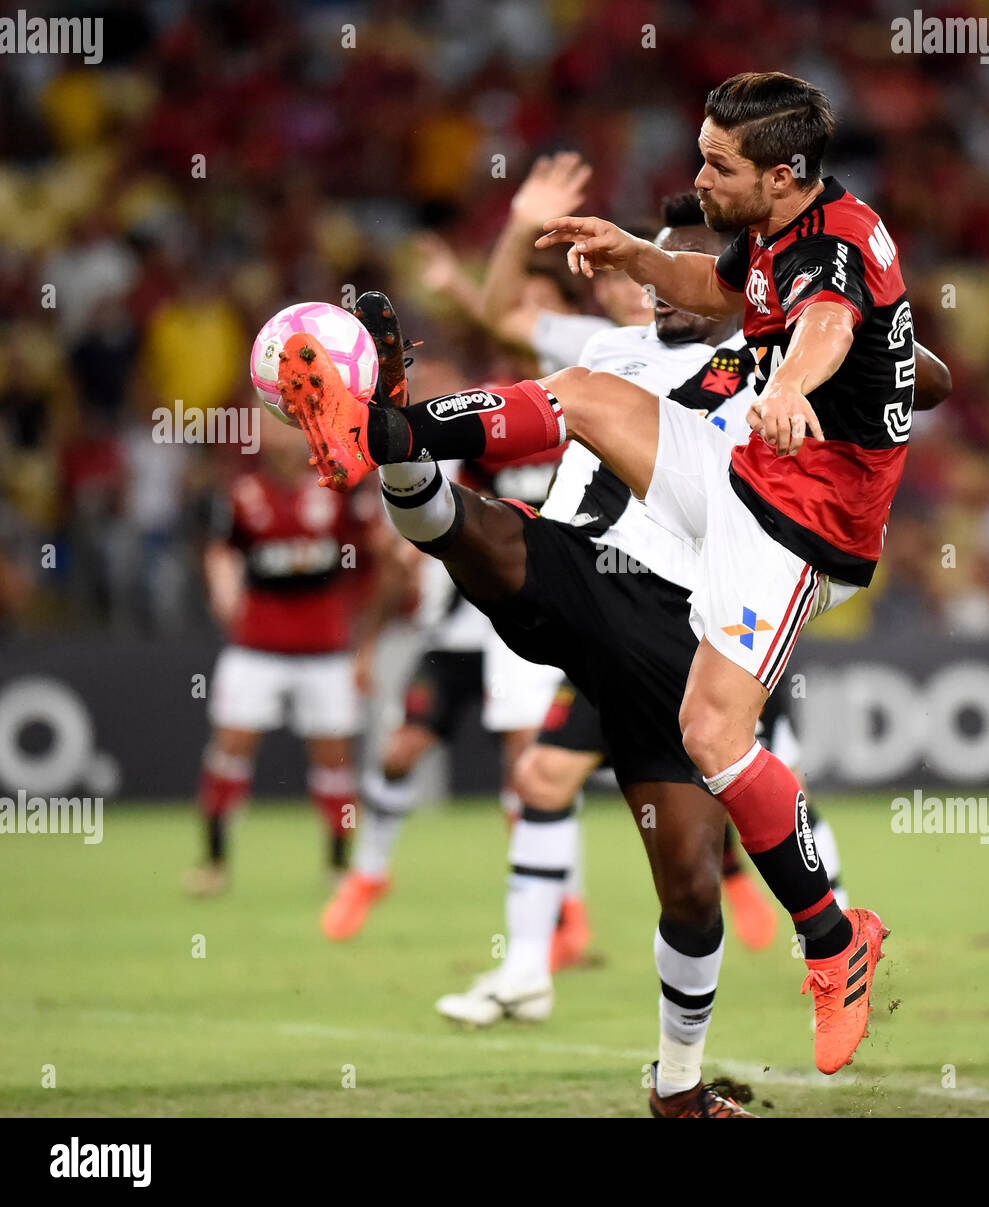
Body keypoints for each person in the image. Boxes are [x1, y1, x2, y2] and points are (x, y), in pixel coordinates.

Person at [282, 72, 940, 1075]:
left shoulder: (833, 251)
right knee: (586, 391)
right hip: (741, 476)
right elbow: (725, 293)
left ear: (782, 173)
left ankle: (832, 938)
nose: (697, 175)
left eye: (717, 165)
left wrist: (793, 389)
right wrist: (635, 254)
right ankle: (383, 430)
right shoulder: (780, 223)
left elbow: (826, 325)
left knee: (711, 734)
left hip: (801, 522)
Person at [184, 416, 377, 895]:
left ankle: (338, 866)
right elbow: (221, 550)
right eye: (274, 427)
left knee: (334, 760)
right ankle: (213, 861)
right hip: (257, 646)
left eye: (292, 426)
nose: (283, 438)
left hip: (325, 647)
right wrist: (224, 588)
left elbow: (369, 560)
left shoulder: (339, 488)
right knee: (228, 750)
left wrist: (364, 639)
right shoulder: (242, 493)